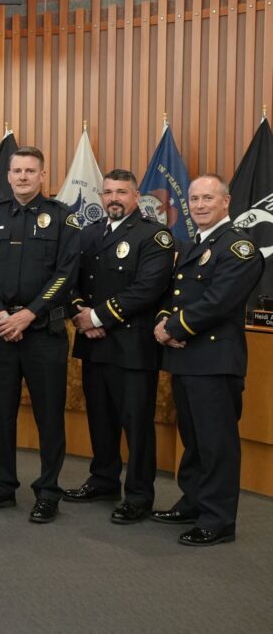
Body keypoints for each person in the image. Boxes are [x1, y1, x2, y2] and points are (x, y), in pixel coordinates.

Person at [0, 146, 80, 524]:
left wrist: (29, 314)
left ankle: (48, 492)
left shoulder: (63, 219)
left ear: (43, 175)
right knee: (1, 414)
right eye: (17, 170)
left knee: (49, 417)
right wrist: (2, 314)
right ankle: (1, 485)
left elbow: (66, 274)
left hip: (43, 332)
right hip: (1, 330)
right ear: (9, 175)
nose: (23, 177)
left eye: (31, 171)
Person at [153, 174, 264, 546]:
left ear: (226, 202)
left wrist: (175, 329)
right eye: (195, 199)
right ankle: (194, 500)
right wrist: (161, 321)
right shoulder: (190, 246)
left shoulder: (238, 247)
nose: (200, 205)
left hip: (216, 361)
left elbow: (219, 300)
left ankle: (218, 520)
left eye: (208, 199)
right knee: (194, 439)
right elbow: (173, 293)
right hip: (186, 359)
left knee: (217, 443)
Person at [63, 169, 174, 523]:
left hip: (132, 348)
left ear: (136, 196)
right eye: (108, 191)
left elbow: (148, 288)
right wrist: (79, 310)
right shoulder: (90, 233)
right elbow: (71, 279)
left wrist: (95, 319)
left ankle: (139, 495)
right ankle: (104, 479)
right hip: (95, 346)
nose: (113, 198)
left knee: (136, 425)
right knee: (101, 417)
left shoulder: (154, 236)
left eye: (121, 192)